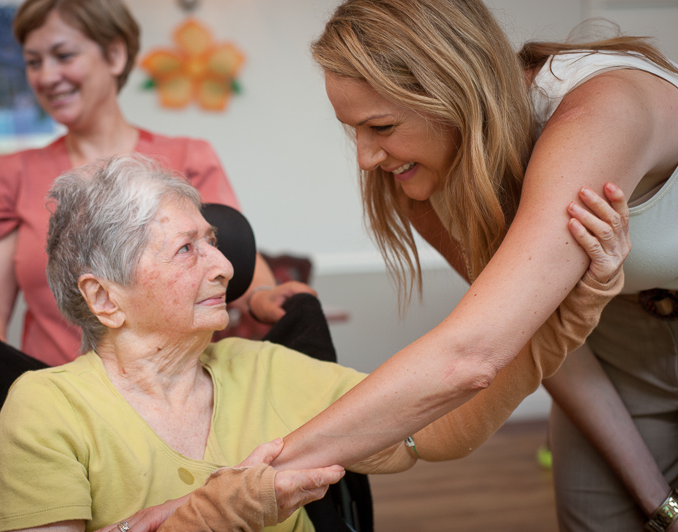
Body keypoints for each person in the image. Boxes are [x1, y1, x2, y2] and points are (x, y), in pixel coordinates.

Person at [0, 153, 625, 532]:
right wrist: (209, 519)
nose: (225, 267)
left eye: (215, 245)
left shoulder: (268, 370)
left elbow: (441, 428)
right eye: (186, 249)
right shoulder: (46, 409)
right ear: (105, 297)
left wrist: (571, 315)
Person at [258, 1, 676, 531]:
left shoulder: (601, 112)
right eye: (353, 130)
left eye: (381, 126)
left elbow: (469, 354)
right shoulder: (420, 182)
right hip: (611, 344)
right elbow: (536, 342)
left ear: (452, 91)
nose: (365, 158)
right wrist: (659, 501)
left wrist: (251, 479)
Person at [0, 0, 311, 367]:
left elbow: (231, 261)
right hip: (56, 392)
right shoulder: (12, 173)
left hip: (175, 389)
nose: (46, 76)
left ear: (114, 55)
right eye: (34, 62)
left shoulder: (188, 158)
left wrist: (264, 299)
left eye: (63, 55)